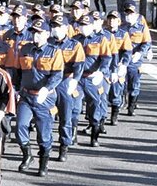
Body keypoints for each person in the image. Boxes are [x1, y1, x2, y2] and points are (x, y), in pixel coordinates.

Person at [15, 18, 64, 175]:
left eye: (39, 33)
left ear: (47, 34)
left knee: (44, 133)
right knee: (20, 125)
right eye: (34, 33)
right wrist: (16, 89)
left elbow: (57, 75)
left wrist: (47, 88)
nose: (36, 36)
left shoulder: (54, 51)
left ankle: (44, 162)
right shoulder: (25, 49)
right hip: (26, 95)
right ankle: (27, 155)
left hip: (45, 98)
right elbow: (18, 71)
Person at [49, 14, 85, 162]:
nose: (55, 29)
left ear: (65, 28)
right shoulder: (48, 42)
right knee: (46, 116)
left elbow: (79, 65)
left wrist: (75, 81)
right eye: (53, 26)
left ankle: (64, 145)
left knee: (65, 116)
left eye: (58, 26)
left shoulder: (74, 44)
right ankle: (46, 144)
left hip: (65, 81)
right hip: (50, 82)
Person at [75, 13, 113, 147]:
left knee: (95, 105)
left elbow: (107, 58)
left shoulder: (100, 39)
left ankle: (94, 135)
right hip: (78, 78)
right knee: (74, 105)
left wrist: (101, 72)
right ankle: (72, 135)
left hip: (93, 78)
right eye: (81, 25)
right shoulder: (75, 40)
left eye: (86, 25)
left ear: (92, 26)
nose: (83, 27)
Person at [122, 1, 152, 116]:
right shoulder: (121, 26)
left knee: (134, 83)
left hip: (135, 59)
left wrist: (141, 52)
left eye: (131, 13)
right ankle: (121, 102)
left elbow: (147, 41)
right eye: (127, 12)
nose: (129, 15)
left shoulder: (141, 25)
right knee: (121, 83)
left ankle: (131, 106)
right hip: (123, 58)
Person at [105, 11, 133, 126]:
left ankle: (114, 116)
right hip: (105, 66)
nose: (112, 21)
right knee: (102, 94)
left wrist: (124, 64)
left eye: (114, 19)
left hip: (117, 66)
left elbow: (128, 51)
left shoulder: (123, 34)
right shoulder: (103, 33)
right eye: (110, 18)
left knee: (116, 92)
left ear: (119, 21)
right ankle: (99, 120)